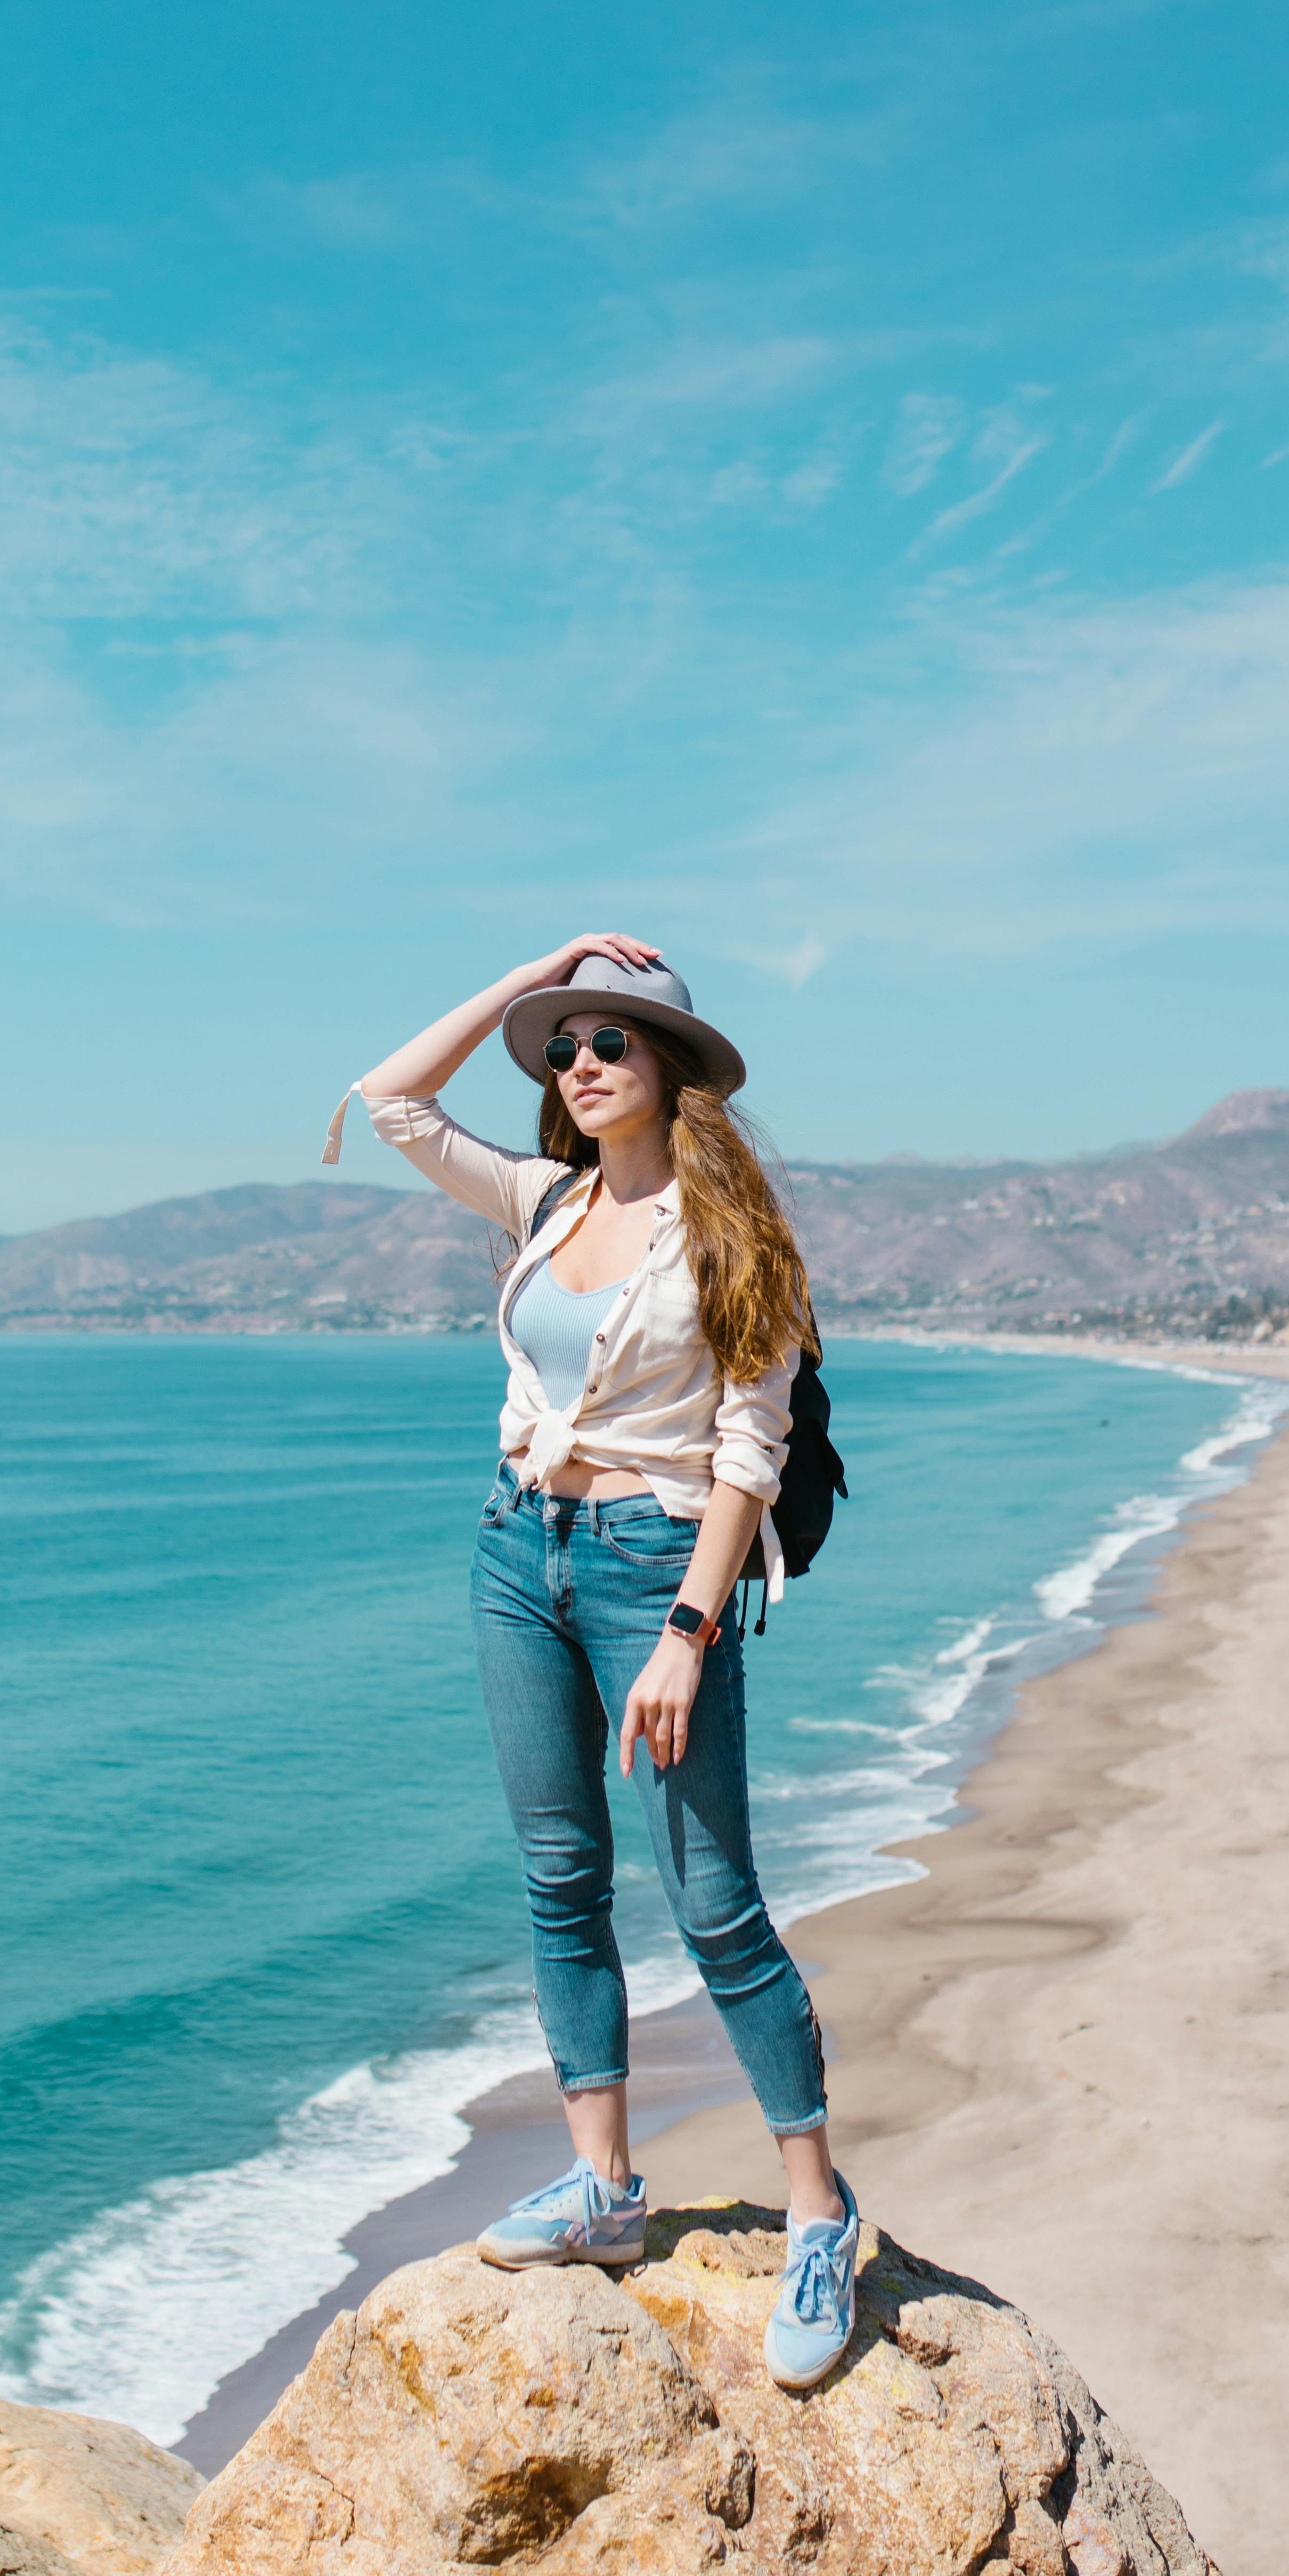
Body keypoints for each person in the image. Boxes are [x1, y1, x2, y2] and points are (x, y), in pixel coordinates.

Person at [322, 932, 859, 2390]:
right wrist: (533, 973)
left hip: (649, 1571)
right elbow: (389, 1104)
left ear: (672, 1069)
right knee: (559, 1880)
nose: (580, 1064)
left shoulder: (730, 1236)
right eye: (563, 1048)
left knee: (711, 1903)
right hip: (515, 1557)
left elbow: (750, 1450)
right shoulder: (544, 1198)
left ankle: (818, 2207)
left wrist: (687, 1632)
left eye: (609, 1040)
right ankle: (604, 2187)